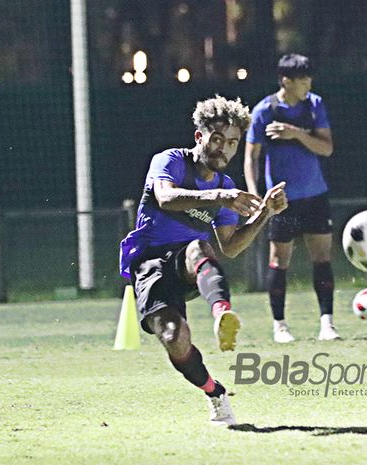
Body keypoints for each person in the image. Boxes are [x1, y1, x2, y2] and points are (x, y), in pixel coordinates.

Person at [119, 95, 288, 426]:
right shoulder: (170, 161)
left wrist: (264, 213)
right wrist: (219, 197)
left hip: (188, 262)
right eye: (217, 139)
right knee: (173, 338)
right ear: (200, 137)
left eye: (233, 143)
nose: (223, 149)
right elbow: (165, 197)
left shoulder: (225, 186)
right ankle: (215, 393)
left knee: (199, 247)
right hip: (150, 261)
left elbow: (231, 245)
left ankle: (222, 315)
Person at [244, 53, 339, 343]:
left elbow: (326, 148)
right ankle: (280, 326)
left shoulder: (315, 106)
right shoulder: (265, 111)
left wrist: (295, 133)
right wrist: (255, 195)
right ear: (286, 80)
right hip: (283, 201)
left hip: (315, 195)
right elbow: (251, 156)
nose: (308, 83)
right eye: (303, 79)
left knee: (322, 258)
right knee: (279, 260)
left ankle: (327, 324)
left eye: (309, 77)